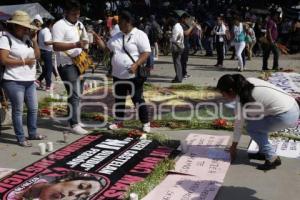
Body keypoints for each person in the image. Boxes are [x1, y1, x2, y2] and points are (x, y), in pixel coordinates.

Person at [217, 74, 299, 170]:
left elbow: (239, 125)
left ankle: (272, 158)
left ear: (230, 91)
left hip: (286, 115)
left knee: (252, 128)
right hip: (293, 106)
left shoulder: (242, 101)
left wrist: (233, 147)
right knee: (256, 123)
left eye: (223, 93)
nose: (223, 96)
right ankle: (263, 151)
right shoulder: (249, 80)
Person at [94, 11, 151, 133]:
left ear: (128, 22)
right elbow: (106, 49)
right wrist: (97, 39)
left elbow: (146, 52)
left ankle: (145, 122)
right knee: (119, 99)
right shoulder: (117, 36)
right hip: (118, 74)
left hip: (133, 75)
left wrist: (136, 64)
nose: (118, 24)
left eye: (120, 22)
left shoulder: (140, 35)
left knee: (137, 99)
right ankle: (118, 121)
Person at [0, 10, 46, 147]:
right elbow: (3, 60)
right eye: (23, 27)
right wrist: (24, 62)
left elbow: (37, 56)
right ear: (15, 26)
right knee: (18, 110)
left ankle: (32, 133)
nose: (26, 29)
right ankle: (20, 137)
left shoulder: (26, 39)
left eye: (27, 27)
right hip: (13, 80)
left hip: (29, 80)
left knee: (33, 108)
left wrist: (34, 41)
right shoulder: (5, 38)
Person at [52, 0, 89, 135]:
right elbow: (56, 46)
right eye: (74, 13)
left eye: (78, 13)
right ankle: (74, 124)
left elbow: (85, 40)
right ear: (66, 13)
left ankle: (71, 120)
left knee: (77, 94)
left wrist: (85, 45)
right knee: (74, 93)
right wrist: (75, 44)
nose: (77, 16)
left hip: (80, 63)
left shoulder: (79, 24)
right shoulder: (59, 26)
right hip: (66, 64)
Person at [7, 170, 106, 200]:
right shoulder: (14, 175)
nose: (73, 193)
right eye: (81, 186)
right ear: (66, 179)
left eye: (79, 196)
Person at [36, 19, 55, 91]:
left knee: (45, 69)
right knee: (49, 69)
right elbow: (46, 42)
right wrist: (55, 42)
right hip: (46, 52)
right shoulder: (47, 31)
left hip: (42, 52)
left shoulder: (42, 30)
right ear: (50, 25)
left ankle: (38, 81)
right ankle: (48, 86)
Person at [180, 14, 196, 79]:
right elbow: (185, 33)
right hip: (182, 44)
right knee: (183, 60)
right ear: (183, 19)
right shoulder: (181, 25)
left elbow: (189, 33)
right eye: (186, 19)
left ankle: (184, 73)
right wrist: (192, 27)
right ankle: (182, 74)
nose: (188, 20)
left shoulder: (186, 25)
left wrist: (193, 27)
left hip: (186, 44)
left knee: (185, 60)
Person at [170, 17, 184, 83]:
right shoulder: (179, 26)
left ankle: (178, 78)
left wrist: (170, 37)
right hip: (181, 45)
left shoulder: (175, 27)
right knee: (178, 62)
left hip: (176, 46)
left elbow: (174, 39)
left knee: (176, 62)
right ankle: (179, 76)